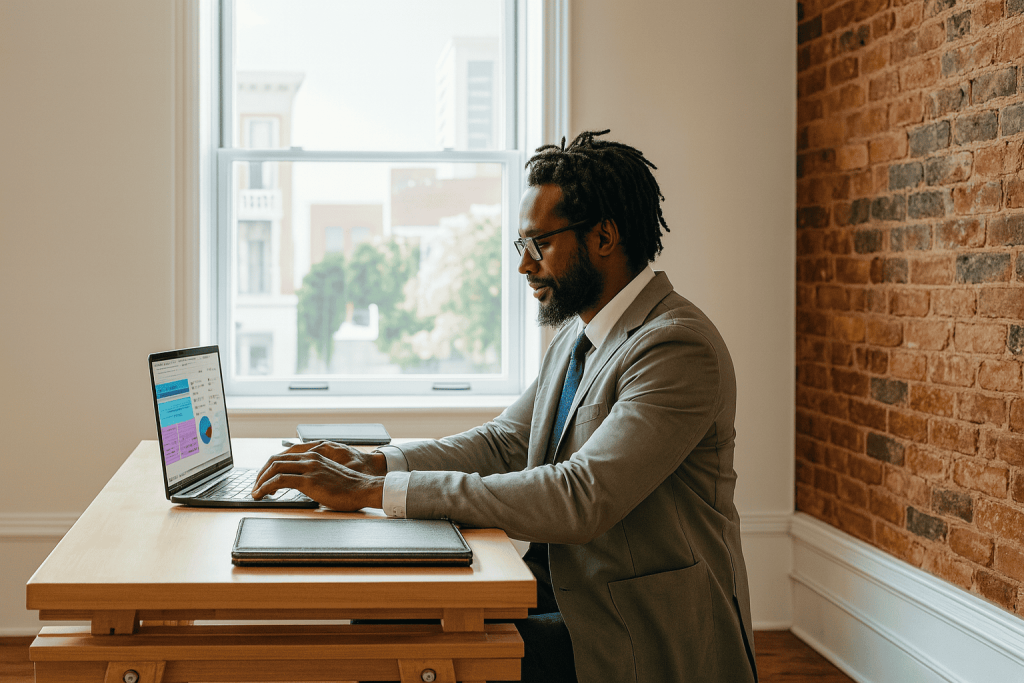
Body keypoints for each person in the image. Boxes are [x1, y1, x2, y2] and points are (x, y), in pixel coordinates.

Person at [253, 130, 758, 683]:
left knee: (405, 649)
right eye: (521, 245)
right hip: (560, 591)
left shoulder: (676, 348)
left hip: (634, 624)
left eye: (539, 243)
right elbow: (505, 443)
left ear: (605, 237)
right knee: (385, 615)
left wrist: (376, 494)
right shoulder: (577, 335)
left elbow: (581, 496)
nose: (524, 265)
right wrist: (377, 463)